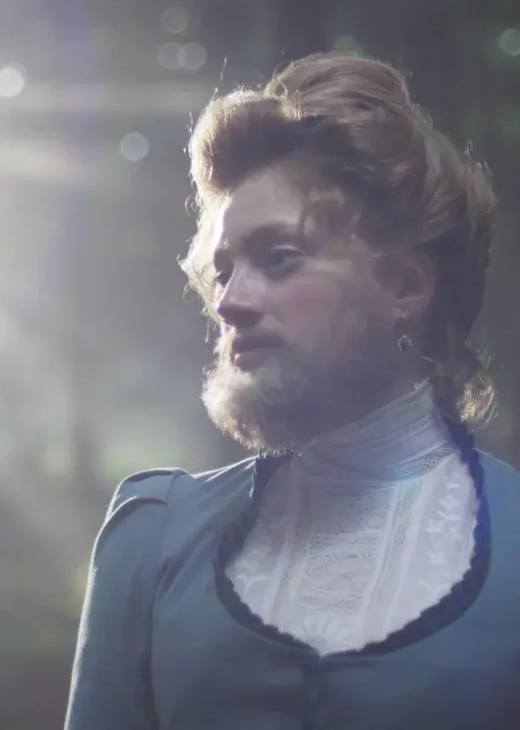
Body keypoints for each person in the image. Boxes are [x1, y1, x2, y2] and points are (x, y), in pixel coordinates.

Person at [64, 53, 520, 730]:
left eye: (278, 259)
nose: (231, 303)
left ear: (405, 288)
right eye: (223, 272)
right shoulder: (152, 543)